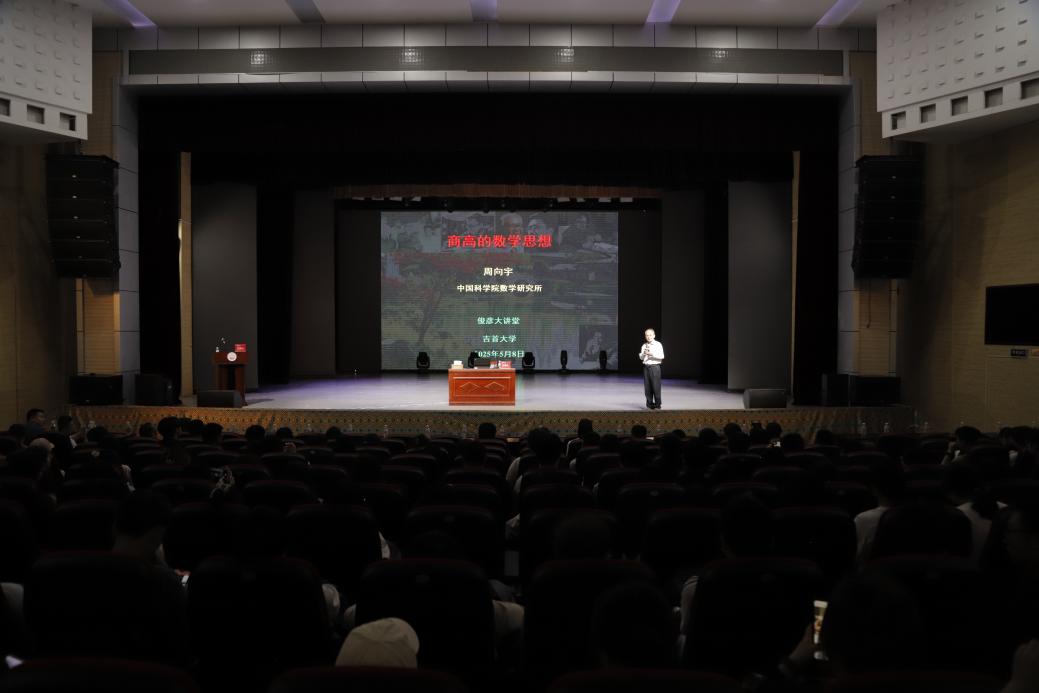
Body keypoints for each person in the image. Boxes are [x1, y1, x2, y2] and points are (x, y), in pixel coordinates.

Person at [638, 328, 664, 410]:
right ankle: (649, 404)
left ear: (654, 335)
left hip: (654, 367)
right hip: (646, 367)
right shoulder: (644, 345)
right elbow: (641, 358)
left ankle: (657, 404)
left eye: (650, 335)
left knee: (656, 387)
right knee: (647, 387)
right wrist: (643, 354)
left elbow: (662, 356)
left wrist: (651, 354)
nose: (648, 337)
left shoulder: (658, 344)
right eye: (647, 335)